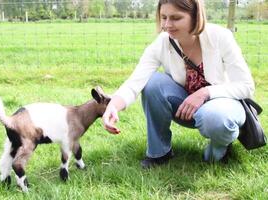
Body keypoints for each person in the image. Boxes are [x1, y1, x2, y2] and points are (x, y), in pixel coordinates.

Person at [102, 0, 255, 167]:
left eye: (176, 18)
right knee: (153, 82)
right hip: (185, 109)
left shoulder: (220, 37)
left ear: (196, 16)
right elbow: (136, 81)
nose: (167, 25)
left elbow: (246, 86)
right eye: (163, 17)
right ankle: (159, 153)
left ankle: (219, 147)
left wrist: (205, 93)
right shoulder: (162, 42)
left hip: (222, 108)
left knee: (215, 118)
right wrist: (113, 106)